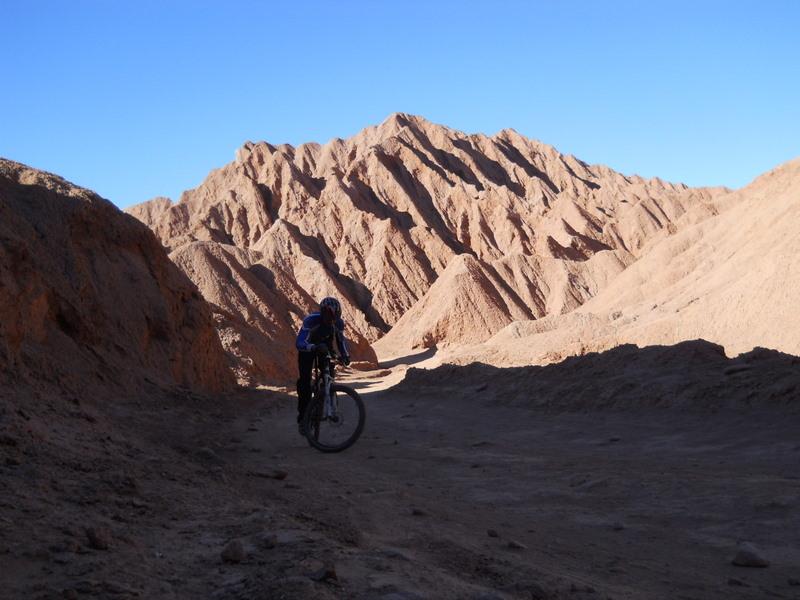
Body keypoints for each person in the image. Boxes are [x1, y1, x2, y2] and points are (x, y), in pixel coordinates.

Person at [295, 297, 351, 431]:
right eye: (328, 317)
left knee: (329, 373)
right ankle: (303, 416)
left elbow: (341, 341)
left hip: (325, 348)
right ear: (322, 313)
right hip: (308, 349)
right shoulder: (311, 320)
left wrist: (345, 356)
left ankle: (328, 392)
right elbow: (300, 342)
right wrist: (312, 347)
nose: (331, 320)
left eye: (335, 317)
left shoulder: (338, 324)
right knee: (304, 382)